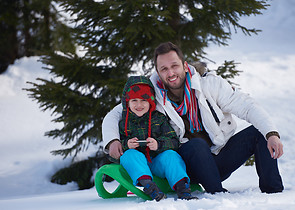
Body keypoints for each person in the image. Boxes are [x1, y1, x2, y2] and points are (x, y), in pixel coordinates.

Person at [102, 42, 284, 194]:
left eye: (174, 66)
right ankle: (217, 194)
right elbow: (115, 114)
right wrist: (112, 141)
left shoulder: (209, 84)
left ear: (184, 64)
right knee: (197, 145)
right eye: (164, 69)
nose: (170, 73)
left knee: (260, 132)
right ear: (158, 71)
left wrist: (272, 133)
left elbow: (247, 106)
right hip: (187, 164)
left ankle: (273, 192)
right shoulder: (153, 94)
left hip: (219, 155)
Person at [112, 75, 197, 201]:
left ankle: (183, 189)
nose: (139, 105)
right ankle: (151, 188)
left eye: (144, 100)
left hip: (157, 162)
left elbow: (174, 141)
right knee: (129, 155)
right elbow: (113, 154)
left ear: (151, 101)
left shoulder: (159, 118)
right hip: (138, 166)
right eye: (134, 100)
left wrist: (159, 144)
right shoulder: (122, 123)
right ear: (127, 102)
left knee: (171, 156)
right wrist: (126, 145)